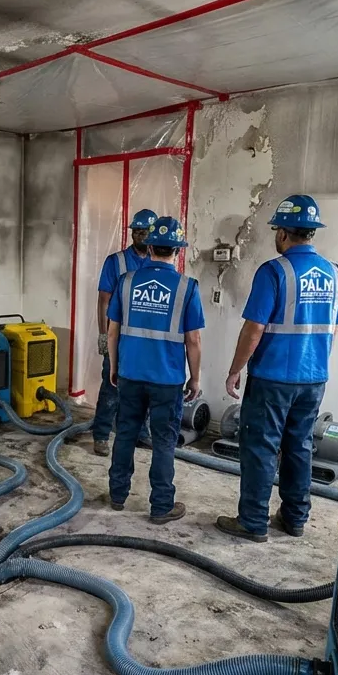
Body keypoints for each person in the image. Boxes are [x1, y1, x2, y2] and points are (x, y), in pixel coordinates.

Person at [216, 195, 338, 543]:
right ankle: (294, 518)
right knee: (299, 447)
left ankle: (253, 521)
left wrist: (235, 370)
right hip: (314, 378)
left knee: (261, 448)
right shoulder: (335, 275)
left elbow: (254, 329)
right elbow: (333, 329)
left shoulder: (274, 272)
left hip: (272, 378)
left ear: (284, 233)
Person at [106, 217, 204, 524]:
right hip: (167, 380)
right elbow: (194, 340)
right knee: (163, 441)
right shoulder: (187, 287)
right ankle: (161, 506)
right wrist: (195, 378)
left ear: (149, 247)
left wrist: (114, 366)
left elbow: (112, 331)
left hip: (130, 374)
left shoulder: (126, 282)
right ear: (177, 250)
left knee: (125, 433)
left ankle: (117, 495)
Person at [93, 209, 156, 456]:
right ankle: (101, 435)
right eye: (137, 231)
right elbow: (104, 299)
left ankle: (141, 433)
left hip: (145, 340)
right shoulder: (116, 262)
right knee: (111, 387)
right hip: (118, 337)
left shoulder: (158, 263)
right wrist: (103, 333)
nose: (141, 235)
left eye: (146, 232)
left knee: (144, 388)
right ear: (132, 233)